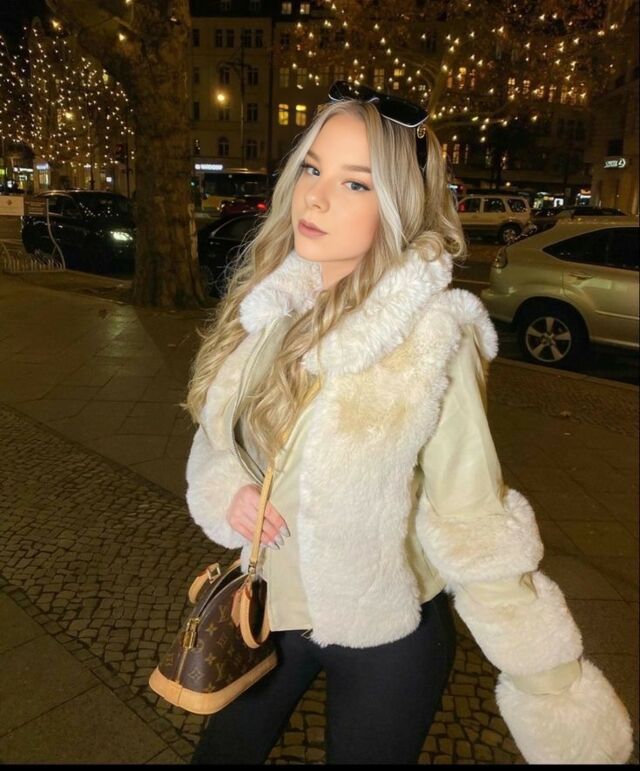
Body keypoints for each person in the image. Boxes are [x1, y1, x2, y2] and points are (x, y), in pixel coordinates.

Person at [183, 82, 632, 765]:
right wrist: (231, 493)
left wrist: (555, 694)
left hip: (388, 631)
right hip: (270, 604)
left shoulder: (431, 338)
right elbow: (218, 437)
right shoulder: (273, 306)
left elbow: (474, 524)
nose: (316, 198)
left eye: (355, 183)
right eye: (312, 169)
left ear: (398, 202)